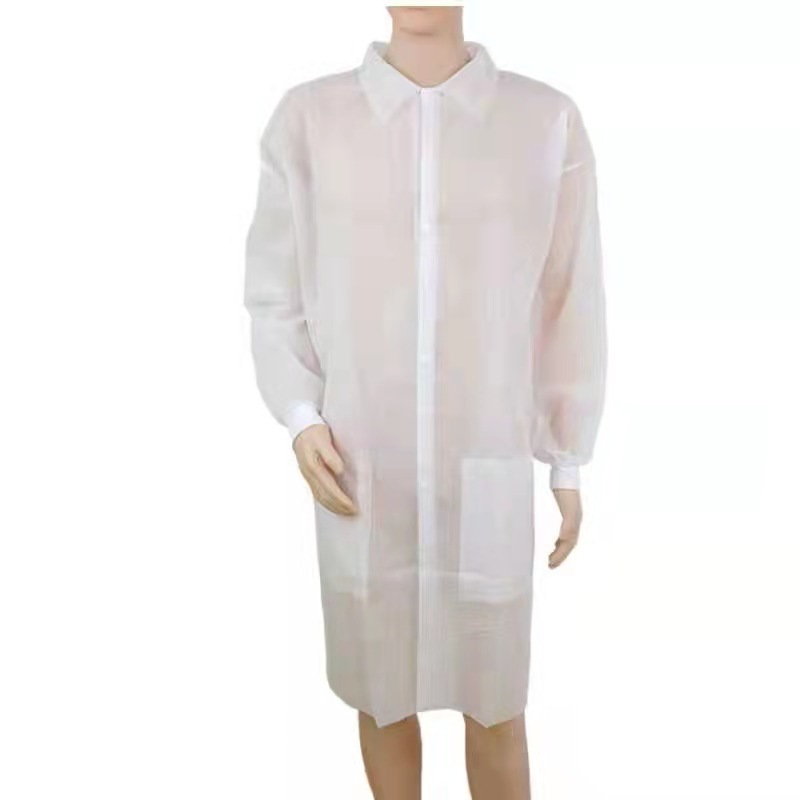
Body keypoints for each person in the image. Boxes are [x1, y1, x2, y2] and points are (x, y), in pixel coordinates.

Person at [244, 6, 606, 799]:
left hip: (486, 463)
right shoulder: (310, 121)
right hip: (360, 468)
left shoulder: (543, 123)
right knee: (381, 702)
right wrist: (301, 417)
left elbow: (568, 297)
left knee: (497, 707)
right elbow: (275, 292)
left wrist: (567, 456)